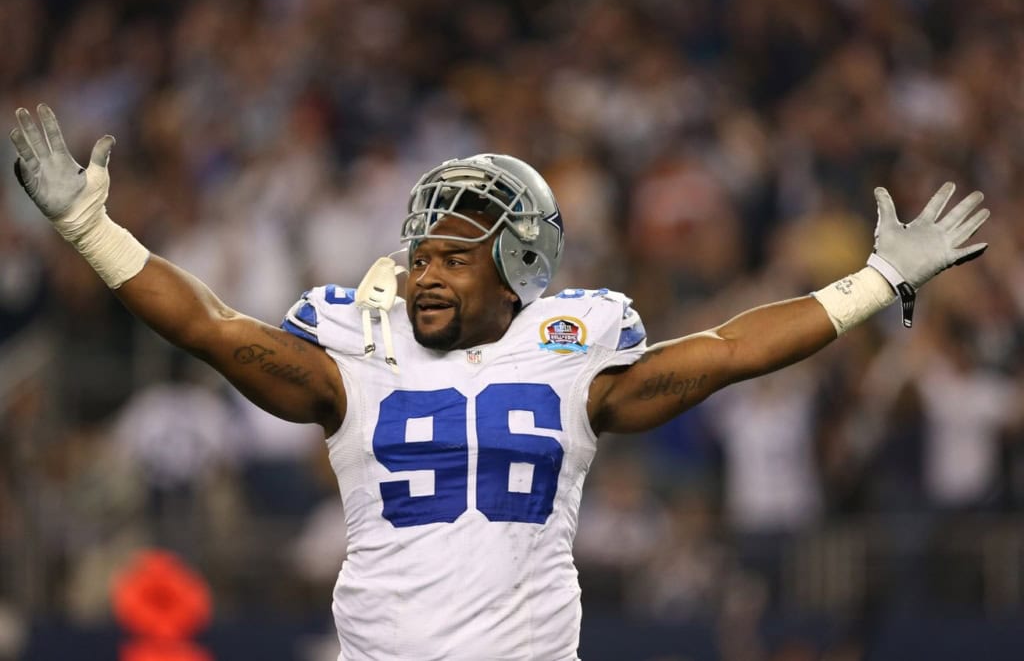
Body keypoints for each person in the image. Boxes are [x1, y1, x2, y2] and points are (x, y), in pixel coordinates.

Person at [9, 104, 990, 660]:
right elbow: (212, 330)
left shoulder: (577, 357)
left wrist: (880, 281)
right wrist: (91, 230)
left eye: (452, 256)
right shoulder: (355, 356)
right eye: (418, 254)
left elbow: (730, 349)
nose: (425, 272)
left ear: (518, 263)